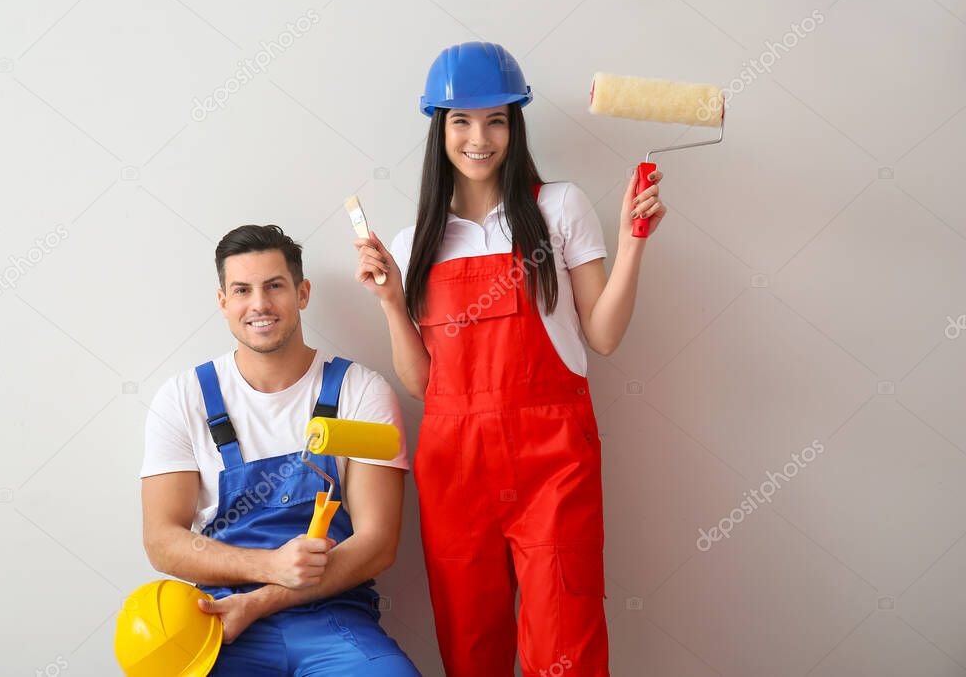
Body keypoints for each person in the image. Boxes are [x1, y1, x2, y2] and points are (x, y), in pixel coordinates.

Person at [352, 42, 667, 676]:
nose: (479, 137)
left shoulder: (560, 207)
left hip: (552, 458)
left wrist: (634, 244)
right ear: (440, 127)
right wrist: (391, 303)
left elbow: (602, 336)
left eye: (496, 119)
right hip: (454, 466)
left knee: (565, 644)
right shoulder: (418, 240)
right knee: (471, 649)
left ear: (514, 124)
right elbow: (422, 384)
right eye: (461, 121)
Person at [141, 224, 420, 676]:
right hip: (222, 623)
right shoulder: (184, 396)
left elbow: (377, 545)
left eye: (274, 286)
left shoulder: (359, 390)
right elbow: (162, 542)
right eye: (242, 290)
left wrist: (265, 598)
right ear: (223, 302)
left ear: (302, 292)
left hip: (334, 615)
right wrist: (271, 565)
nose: (259, 304)